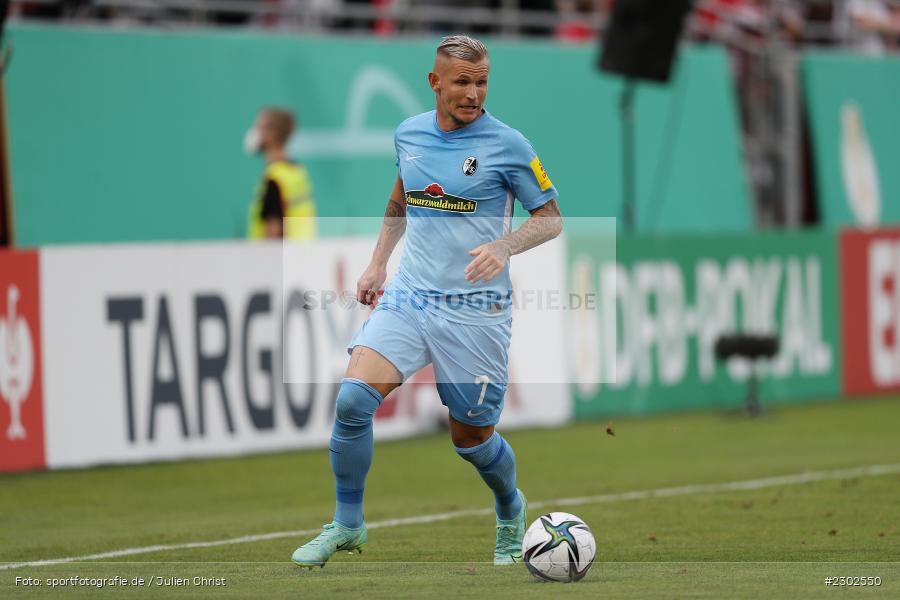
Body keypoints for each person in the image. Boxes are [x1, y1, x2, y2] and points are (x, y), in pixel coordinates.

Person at [291, 34, 562, 568]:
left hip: (474, 311)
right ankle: (347, 524)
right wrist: (377, 262)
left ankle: (510, 506)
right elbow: (402, 195)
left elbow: (551, 218)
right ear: (434, 82)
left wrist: (504, 246)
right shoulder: (408, 132)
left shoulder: (508, 144)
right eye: (462, 82)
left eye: (482, 82)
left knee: (471, 437)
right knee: (352, 402)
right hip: (412, 296)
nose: (474, 93)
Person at [245, 107, 317, 240]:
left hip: (278, 257)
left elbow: (273, 231)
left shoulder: (274, 179)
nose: (254, 132)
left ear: (271, 134)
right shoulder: (298, 173)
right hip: (301, 253)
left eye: (259, 127)